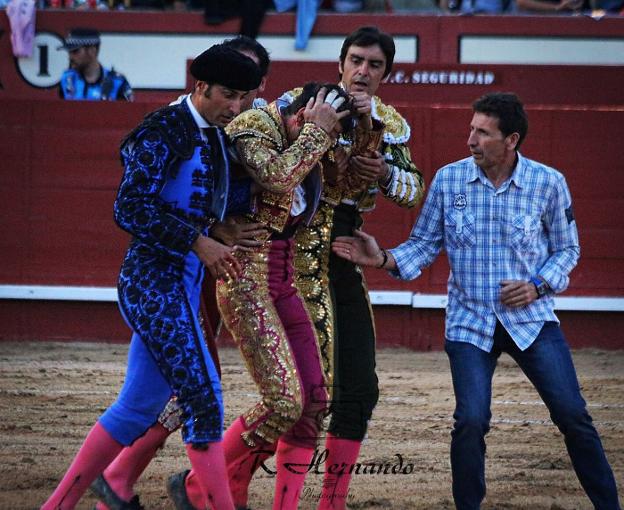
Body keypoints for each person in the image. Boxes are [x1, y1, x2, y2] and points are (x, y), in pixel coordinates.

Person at [332, 92, 622, 510]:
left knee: (573, 415)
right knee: (470, 420)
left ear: (511, 140)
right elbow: (424, 245)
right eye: (471, 129)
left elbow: (567, 250)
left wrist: (538, 285)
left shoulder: (548, 183)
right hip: (470, 322)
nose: (470, 139)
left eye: (482, 133)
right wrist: (383, 258)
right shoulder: (450, 181)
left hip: (532, 319)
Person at [40, 44, 262, 510]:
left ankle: (55, 507)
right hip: (151, 279)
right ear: (200, 86)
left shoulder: (217, 135)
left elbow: (208, 202)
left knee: (138, 407)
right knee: (203, 397)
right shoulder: (163, 130)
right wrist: (199, 240)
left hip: (177, 281)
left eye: (243, 97)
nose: (236, 107)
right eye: (228, 95)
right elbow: (130, 206)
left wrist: (219, 227)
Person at [168, 83, 356, 510]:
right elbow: (276, 176)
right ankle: (197, 486)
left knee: (313, 400)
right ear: (306, 111)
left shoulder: (311, 138)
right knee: (283, 401)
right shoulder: (255, 124)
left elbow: (334, 187)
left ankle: (254, 499)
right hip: (244, 275)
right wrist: (317, 134)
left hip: (283, 276)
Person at [278, 25, 426, 510]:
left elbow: (412, 192)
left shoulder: (391, 123)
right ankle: (244, 491)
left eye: (374, 64)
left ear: (386, 73)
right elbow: (256, 153)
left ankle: (331, 503)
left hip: (344, 251)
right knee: (300, 391)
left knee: (357, 385)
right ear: (341, 63)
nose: (363, 71)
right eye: (356, 60)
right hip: (290, 253)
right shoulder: (304, 100)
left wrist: (383, 172)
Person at [57, 28, 133, 101]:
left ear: (92, 51)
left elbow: (129, 112)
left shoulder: (117, 82)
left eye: (75, 51)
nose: (70, 57)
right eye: (69, 52)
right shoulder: (67, 80)